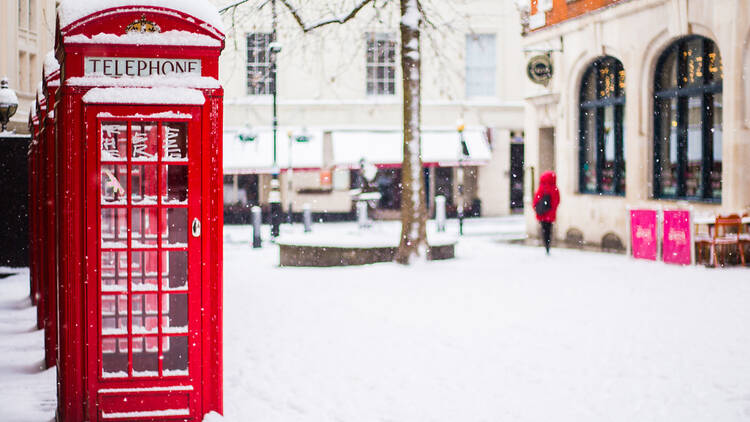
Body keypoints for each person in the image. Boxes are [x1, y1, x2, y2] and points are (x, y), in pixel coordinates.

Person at [532, 171, 560, 255]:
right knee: (548, 230)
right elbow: (556, 201)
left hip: (542, 214)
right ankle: (548, 245)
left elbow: (536, 201)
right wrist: (551, 210)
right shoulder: (554, 189)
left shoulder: (542, 188)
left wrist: (539, 209)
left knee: (544, 230)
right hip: (550, 215)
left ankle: (546, 245)